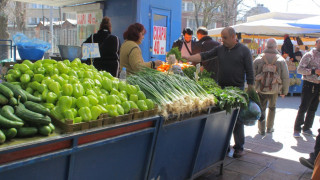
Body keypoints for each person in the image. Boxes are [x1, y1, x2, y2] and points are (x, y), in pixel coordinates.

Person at [184, 27, 254, 158]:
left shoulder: (244, 50)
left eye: (225, 37)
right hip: (221, 88)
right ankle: (224, 146)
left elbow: (250, 71)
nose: (222, 40)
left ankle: (239, 147)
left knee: (237, 120)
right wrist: (187, 57)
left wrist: (251, 88)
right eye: (222, 37)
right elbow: (204, 55)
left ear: (234, 37)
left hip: (237, 90)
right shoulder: (220, 49)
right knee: (224, 118)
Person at [253, 38, 290, 136]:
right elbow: (285, 77)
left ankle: (261, 129)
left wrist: (251, 89)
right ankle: (269, 128)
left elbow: (252, 74)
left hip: (261, 89)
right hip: (274, 89)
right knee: (272, 108)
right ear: (275, 47)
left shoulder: (258, 58)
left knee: (261, 108)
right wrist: (284, 91)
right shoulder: (281, 59)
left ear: (266, 46)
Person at [293, 38, 320, 138]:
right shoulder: (309, 55)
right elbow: (299, 69)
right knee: (304, 107)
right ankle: (297, 129)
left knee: (313, 108)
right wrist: (313, 71)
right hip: (309, 84)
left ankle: (307, 128)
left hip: (318, 85)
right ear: (316, 43)